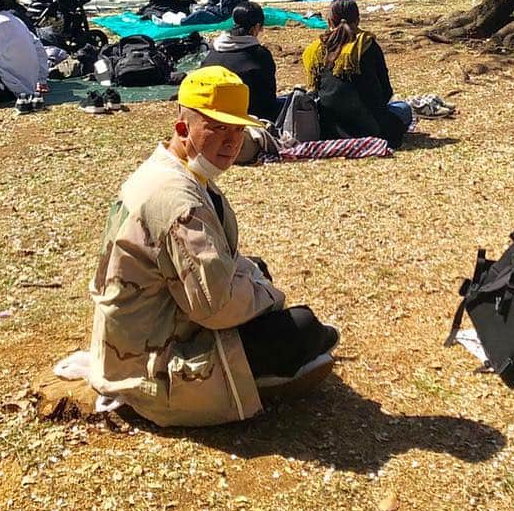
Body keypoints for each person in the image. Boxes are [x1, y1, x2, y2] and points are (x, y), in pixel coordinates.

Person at [87, 65, 339, 426]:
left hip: (142, 326)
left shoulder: (174, 169)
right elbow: (214, 308)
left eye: (237, 129)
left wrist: (255, 282)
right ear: (182, 127)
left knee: (256, 269)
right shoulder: (178, 200)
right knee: (300, 328)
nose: (231, 141)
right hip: (151, 359)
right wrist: (268, 295)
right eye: (217, 128)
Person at [302, 0, 412, 148]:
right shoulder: (367, 45)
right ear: (358, 20)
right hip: (371, 128)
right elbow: (386, 91)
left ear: (329, 22)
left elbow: (316, 90)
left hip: (330, 128)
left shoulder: (315, 50)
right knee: (404, 109)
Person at [201, 2, 280, 122]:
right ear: (256, 27)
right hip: (247, 117)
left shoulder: (212, 53)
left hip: (210, 113)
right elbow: (268, 97)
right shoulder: (259, 55)